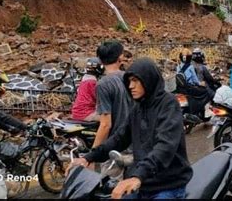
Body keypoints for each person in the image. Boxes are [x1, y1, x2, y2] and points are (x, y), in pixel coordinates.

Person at [67, 58, 193, 199]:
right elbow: (119, 138)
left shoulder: (168, 104)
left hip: (167, 185)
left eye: (135, 80)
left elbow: (165, 146)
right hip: (142, 181)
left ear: (148, 80)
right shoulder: (138, 107)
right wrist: (88, 158)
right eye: (129, 81)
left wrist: (137, 176)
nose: (131, 86)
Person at [92, 41, 132, 149]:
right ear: (120, 58)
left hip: (117, 146)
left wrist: (93, 154)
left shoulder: (103, 84)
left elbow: (106, 125)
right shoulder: (131, 78)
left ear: (100, 60)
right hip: (136, 142)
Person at [71, 58, 105, 122]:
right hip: (85, 113)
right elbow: (99, 98)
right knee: (108, 119)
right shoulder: (92, 82)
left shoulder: (85, 79)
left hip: (78, 112)